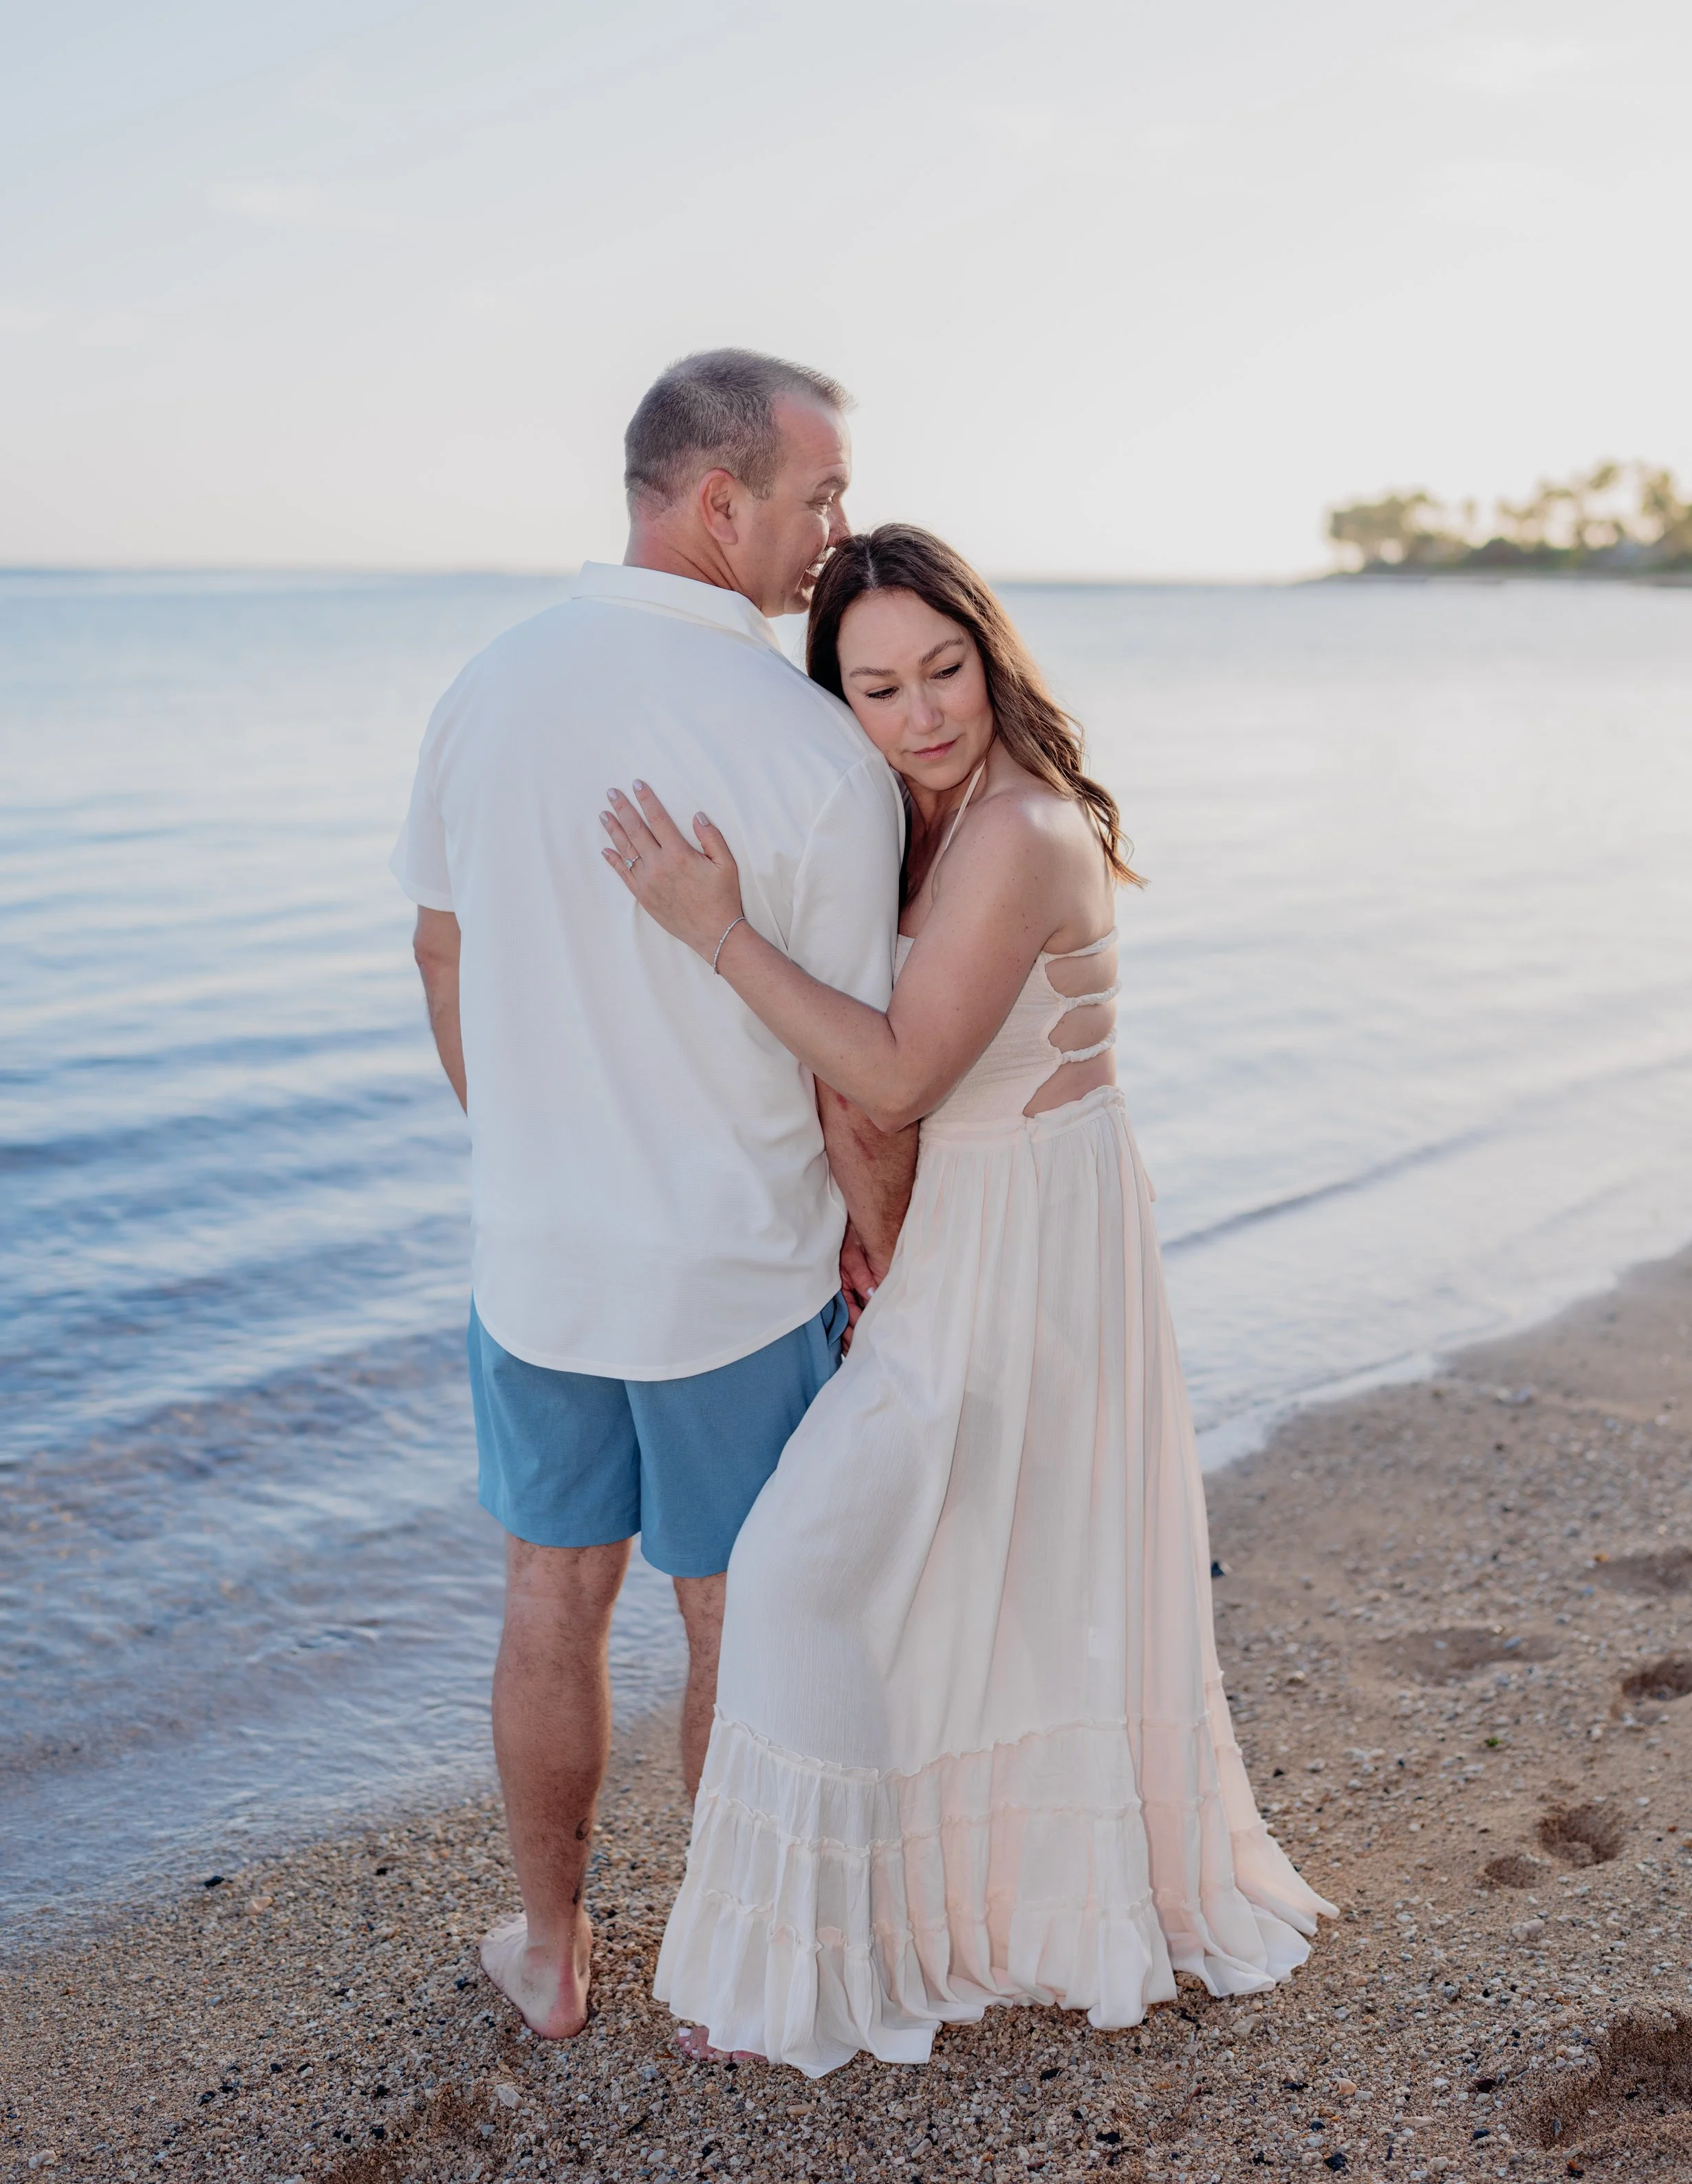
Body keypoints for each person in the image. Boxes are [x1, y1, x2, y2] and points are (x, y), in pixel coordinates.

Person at [600, 524, 1335, 2077]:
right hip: (973, 1224)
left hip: (1032, 1238)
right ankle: (943, 1912)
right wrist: (871, 1217)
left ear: (990, 655)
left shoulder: (1017, 832)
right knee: (958, 1576)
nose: (922, 712)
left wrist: (711, 927)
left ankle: (816, 1963)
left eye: (944, 669)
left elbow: (898, 1065)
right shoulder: (913, 825)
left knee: (804, 1561)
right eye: (876, 687)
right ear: (839, 702)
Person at [391, 351, 917, 2041]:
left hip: (536, 1262)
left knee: (550, 1590)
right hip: (730, 1273)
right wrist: (884, 1247)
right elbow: (853, 1068)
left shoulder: (486, 684)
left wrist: (530, 1145)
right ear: (719, 503)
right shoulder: (805, 746)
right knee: (725, 1614)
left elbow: (442, 945)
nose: (833, 534)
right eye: (816, 499)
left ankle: (551, 1951)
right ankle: (712, 1967)